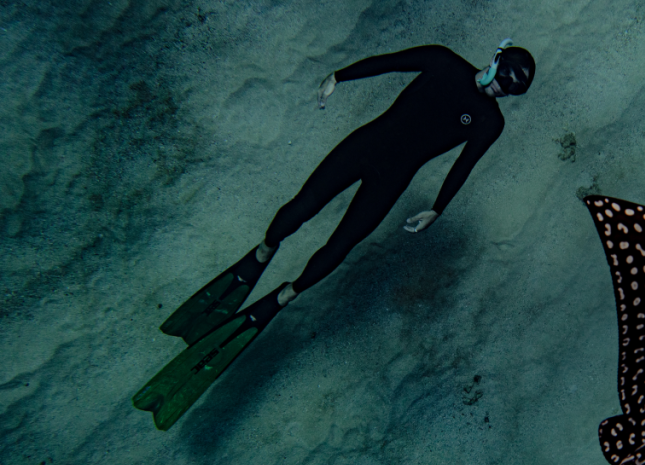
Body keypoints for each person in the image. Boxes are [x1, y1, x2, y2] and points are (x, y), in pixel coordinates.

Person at [133, 40, 536, 430]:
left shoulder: (490, 121)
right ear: (497, 57)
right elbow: (388, 62)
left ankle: (286, 294)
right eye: (503, 77)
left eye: (508, 90)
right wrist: (338, 76)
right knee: (301, 207)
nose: (499, 88)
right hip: (364, 146)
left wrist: (438, 207)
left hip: (393, 178)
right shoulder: (443, 61)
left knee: (341, 245)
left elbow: (464, 165)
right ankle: (263, 252)